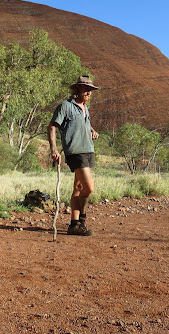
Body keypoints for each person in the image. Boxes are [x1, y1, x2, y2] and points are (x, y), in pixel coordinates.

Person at [48, 75, 100, 236]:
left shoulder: (85, 107)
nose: (89, 92)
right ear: (77, 89)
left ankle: (73, 225)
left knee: (78, 188)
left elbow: (84, 124)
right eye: (86, 89)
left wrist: (92, 131)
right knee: (89, 188)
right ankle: (82, 219)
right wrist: (54, 150)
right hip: (76, 152)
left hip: (88, 150)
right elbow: (52, 127)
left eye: (91, 90)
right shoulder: (66, 106)